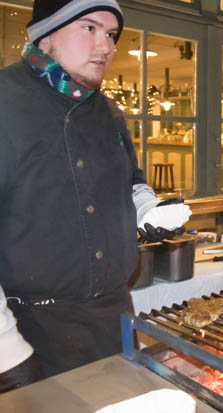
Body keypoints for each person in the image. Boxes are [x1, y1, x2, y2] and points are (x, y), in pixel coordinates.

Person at [0, 0, 189, 389]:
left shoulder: (109, 112)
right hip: (33, 332)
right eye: (89, 28)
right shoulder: (5, 103)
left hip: (113, 319)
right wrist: (7, 353)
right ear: (46, 33)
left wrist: (146, 208)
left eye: (111, 34)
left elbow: (132, 180)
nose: (105, 46)